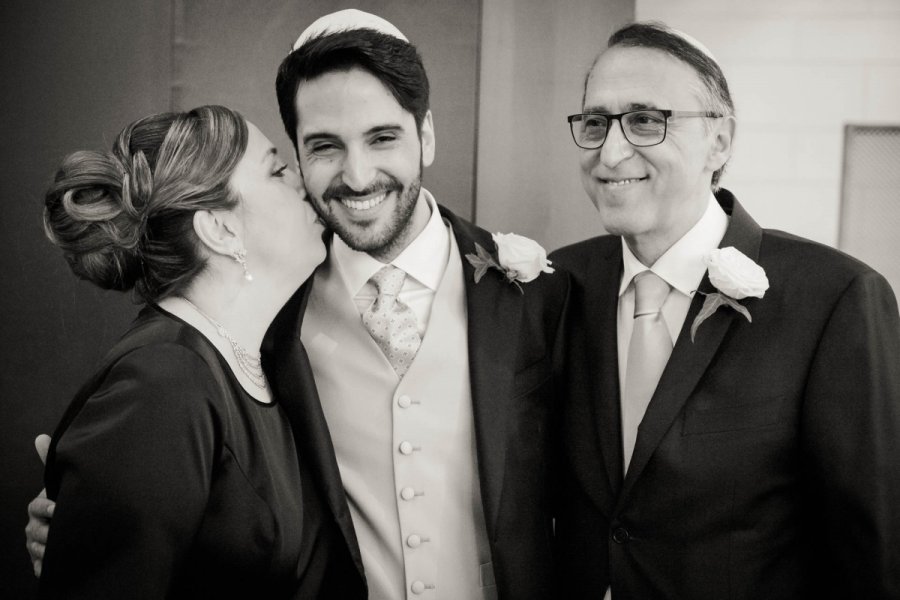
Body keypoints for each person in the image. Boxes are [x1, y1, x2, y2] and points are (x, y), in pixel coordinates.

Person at [28, 10, 567, 600]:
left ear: (427, 135)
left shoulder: (542, 296)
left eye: (382, 137)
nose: (357, 176)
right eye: (318, 149)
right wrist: (92, 518)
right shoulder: (250, 329)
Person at [550, 21, 900, 599]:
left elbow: (871, 552)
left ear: (721, 140)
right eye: (595, 123)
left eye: (645, 120)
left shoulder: (835, 299)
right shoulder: (559, 285)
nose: (611, 152)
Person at [31, 105, 346, 599]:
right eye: (277, 170)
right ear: (220, 230)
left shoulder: (255, 359)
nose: (303, 183)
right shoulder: (163, 384)